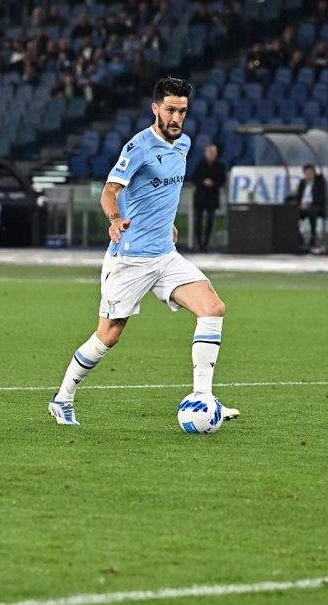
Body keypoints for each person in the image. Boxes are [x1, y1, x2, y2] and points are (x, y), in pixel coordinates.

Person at [48, 77, 239, 426]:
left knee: (213, 308)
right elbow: (109, 190)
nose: (176, 117)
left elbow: (162, 193)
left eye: (182, 111)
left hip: (165, 255)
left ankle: (203, 399)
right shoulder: (138, 146)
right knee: (109, 334)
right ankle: (63, 398)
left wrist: (166, 223)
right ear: (155, 108)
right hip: (131, 258)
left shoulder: (184, 144)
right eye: (170, 110)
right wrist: (115, 219)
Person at [190, 144, 226, 251]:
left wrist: (213, 183)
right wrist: (203, 182)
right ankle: (199, 242)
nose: (210, 154)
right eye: (209, 152)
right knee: (198, 220)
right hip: (201, 195)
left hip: (212, 196)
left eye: (212, 152)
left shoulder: (220, 165)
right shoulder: (200, 164)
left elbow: (222, 180)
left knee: (210, 220)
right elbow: (194, 178)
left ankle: (207, 242)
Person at [294, 163, 327, 250]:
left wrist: (308, 205)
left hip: (315, 205)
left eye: (310, 173)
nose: (308, 175)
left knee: (312, 211)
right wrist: (300, 205)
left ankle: (313, 235)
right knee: (292, 212)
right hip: (302, 206)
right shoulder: (302, 183)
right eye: (306, 173)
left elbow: (321, 198)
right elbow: (298, 196)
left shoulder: (319, 183)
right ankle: (297, 236)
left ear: (314, 173)